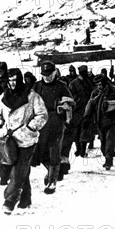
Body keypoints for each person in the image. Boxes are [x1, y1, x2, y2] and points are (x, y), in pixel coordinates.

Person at [0, 68, 48, 214]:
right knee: (20, 170)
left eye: (15, 80)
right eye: (9, 80)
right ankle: (25, 199)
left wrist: (30, 127)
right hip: (8, 139)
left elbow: (42, 115)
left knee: (18, 171)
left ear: (20, 80)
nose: (12, 83)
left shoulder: (32, 96)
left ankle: (9, 201)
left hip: (26, 139)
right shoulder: (3, 97)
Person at [31, 61, 73, 194]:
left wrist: (63, 106)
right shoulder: (37, 86)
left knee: (54, 152)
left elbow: (70, 102)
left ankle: (52, 183)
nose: (47, 77)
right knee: (41, 153)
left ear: (54, 72)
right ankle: (51, 172)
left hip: (56, 122)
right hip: (41, 122)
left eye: (49, 74)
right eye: (44, 75)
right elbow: (29, 101)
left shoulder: (62, 86)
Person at [83, 74, 115, 170]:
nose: (99, 87)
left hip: (114, 121)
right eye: (97, 85)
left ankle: (109, 161)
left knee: (110, 140)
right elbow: (90, 104)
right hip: (101, 121)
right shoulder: (95, 93)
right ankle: (107, 155)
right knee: (103, 142)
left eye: (100, 84)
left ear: (105, 83)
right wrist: (87, 117)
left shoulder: (114, 90)